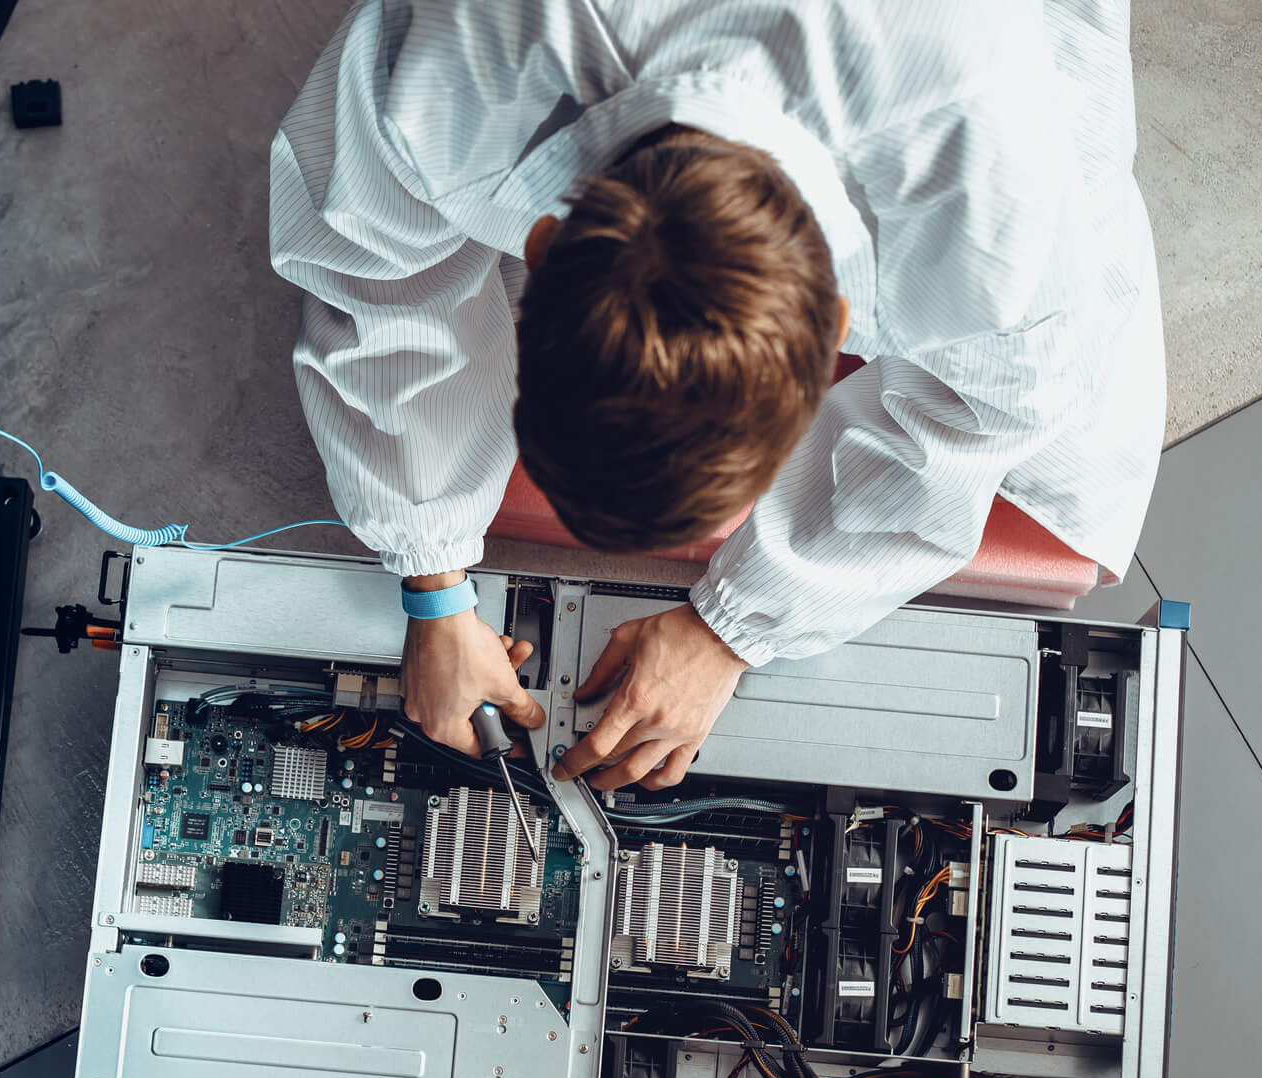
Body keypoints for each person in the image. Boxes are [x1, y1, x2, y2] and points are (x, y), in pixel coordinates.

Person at [270, 0, 1163, 791]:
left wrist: (736, 627)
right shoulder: (453, 55)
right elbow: (373, 277)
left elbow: (980, 420)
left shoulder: (995, 203)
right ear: (543, 250)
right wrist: (430, 580)